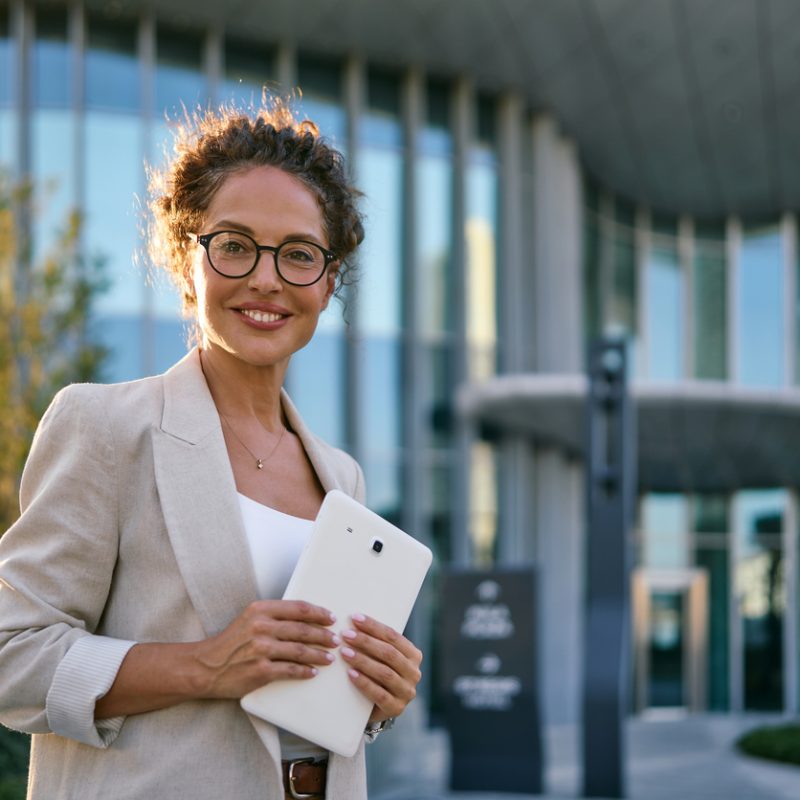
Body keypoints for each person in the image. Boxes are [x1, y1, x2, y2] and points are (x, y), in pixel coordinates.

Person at [0, 99, 423, 800]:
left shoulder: (340, 475)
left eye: (298, 255)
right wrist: (203, 665)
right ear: (185, 257)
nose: (266, 279)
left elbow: (303, 710)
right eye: (234, 244)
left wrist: (374, 697)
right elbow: (11, 654)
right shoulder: (105, 428)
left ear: (328, 281)